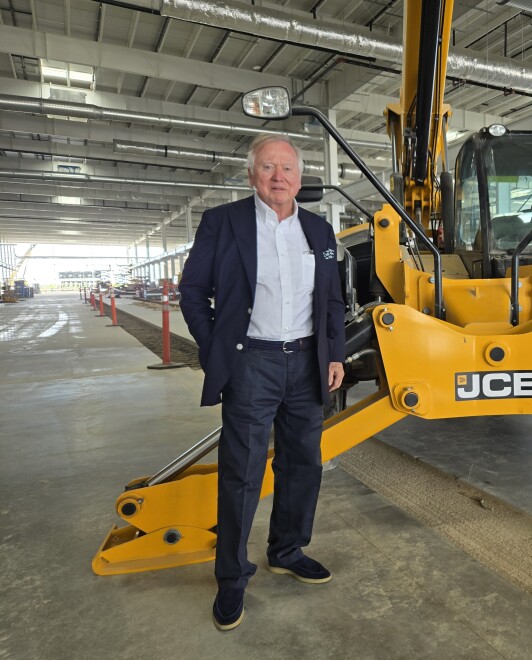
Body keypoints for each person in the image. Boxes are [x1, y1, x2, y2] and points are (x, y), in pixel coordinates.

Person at [179, 133, 346, 631]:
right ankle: (231, 576)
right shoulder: (223, 222)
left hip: (306, 364)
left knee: (303, 465)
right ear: (252, 174)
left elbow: (333, 300)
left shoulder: (319, 230)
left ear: (299, 177)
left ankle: (287, 550)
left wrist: (334, 354)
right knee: (242, 472)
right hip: (252, 363)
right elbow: (192, 291)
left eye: (288, 169)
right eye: (269, 168)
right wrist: (215, 349)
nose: (280, 177)